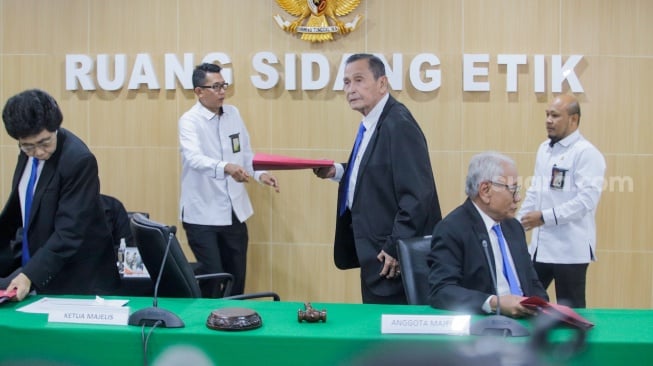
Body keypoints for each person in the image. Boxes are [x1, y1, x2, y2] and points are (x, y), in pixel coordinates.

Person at [313, 53, 442, 304]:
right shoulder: (372, 122)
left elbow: (418, 195)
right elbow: (377, 170)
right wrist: (338, 171)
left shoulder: (398, 123)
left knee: (395, 339)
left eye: (359, 80)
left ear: (382, 84)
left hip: (392, 259)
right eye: (347, 82)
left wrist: (396, 246)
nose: (351, 89)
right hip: (375, 253)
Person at [0, 89, 120, 301]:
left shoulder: (78, 160)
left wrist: (29, 275)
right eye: (28, 146)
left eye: (45, 142)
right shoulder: (27, 152)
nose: (38, 152)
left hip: (78, 281)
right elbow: (21, 210)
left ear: (55, 128)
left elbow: (70, 232)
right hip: (38, 268)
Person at [179, 63, 279, 297]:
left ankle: (234, 324)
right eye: (215, 87)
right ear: (199, 91)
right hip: (202, 214)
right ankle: (209, 325)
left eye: (223, 85)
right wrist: (226, 168)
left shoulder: (233, 114)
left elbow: (244, 154)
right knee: (214, 277)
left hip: (234, 211)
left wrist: (259, 173)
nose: (222, 91)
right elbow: (194, 159)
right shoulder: (189, 121)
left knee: (237, 276)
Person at [427, 151, 548, 317]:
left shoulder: (513, 227)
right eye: (512, 190)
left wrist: (544, 310)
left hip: (527, 322)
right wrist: (493, 303)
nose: (518, 198)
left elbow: (533, 283)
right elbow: (442, 291)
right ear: (485, 190)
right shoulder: (452, 229)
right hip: (486, 326)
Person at [519, 95, 605, 308]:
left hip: (571, 250)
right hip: (540, 247)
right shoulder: (544, 150)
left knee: (571, 312)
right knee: (525, 301)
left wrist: (544, 217)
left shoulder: (586, 153)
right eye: (547, 115)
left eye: (555, 115)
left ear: (573, 119)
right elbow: (535, 191)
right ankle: (530, 341)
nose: (548, 120)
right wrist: (517, 223)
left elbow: (586, 202)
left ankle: (574, 343)